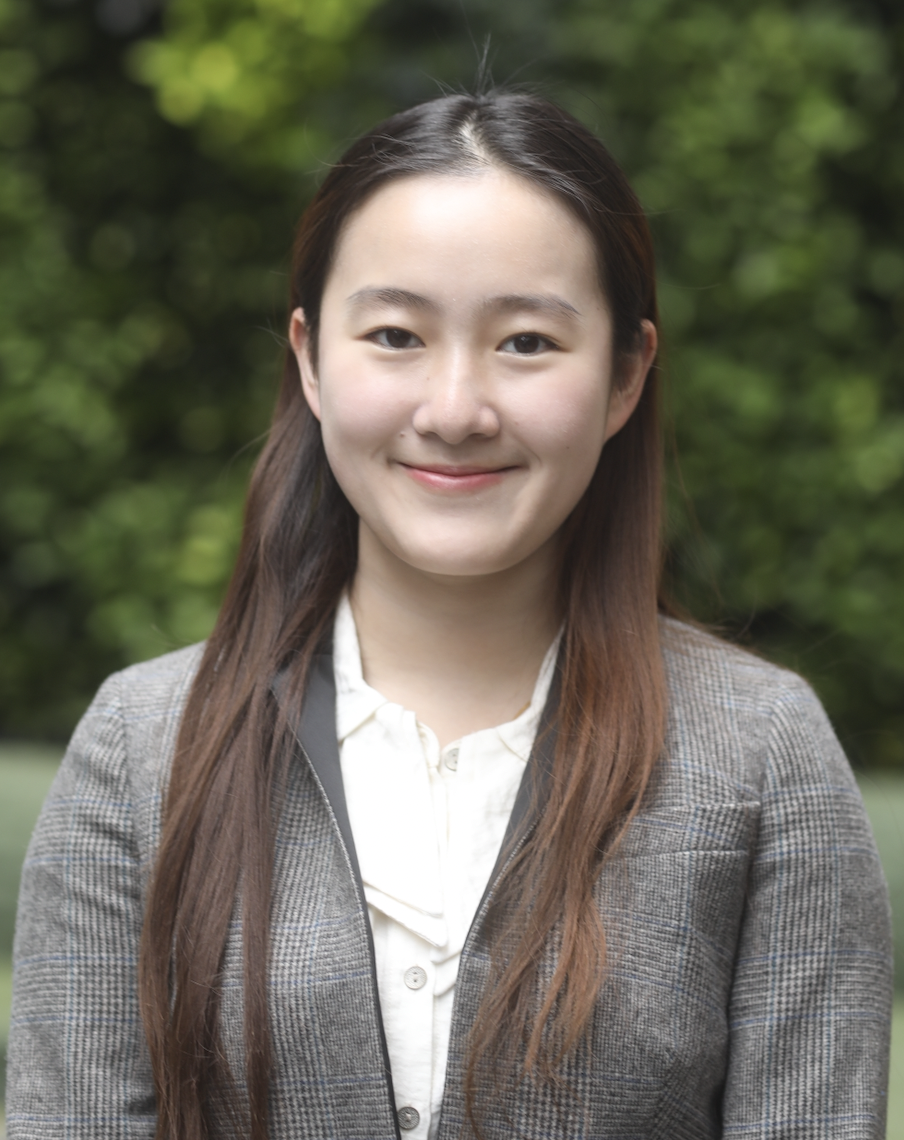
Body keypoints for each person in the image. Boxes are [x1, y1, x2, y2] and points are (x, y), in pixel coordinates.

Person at [7, 90, 893, 1140]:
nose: (456, 410)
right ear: (309, 357)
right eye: (395, 335)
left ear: (625, 375)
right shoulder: (141, 748)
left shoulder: (762, 755)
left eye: (526, 342)